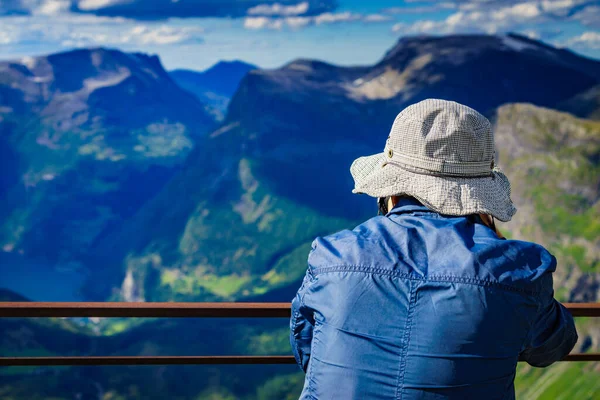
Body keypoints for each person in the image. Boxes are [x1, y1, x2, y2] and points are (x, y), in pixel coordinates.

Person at [289, 99, 578, 400]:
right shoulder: (519, 272)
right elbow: (553, 346)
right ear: (480, 197)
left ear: (389, 186)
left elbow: (306, 347)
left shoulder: (331, 255)